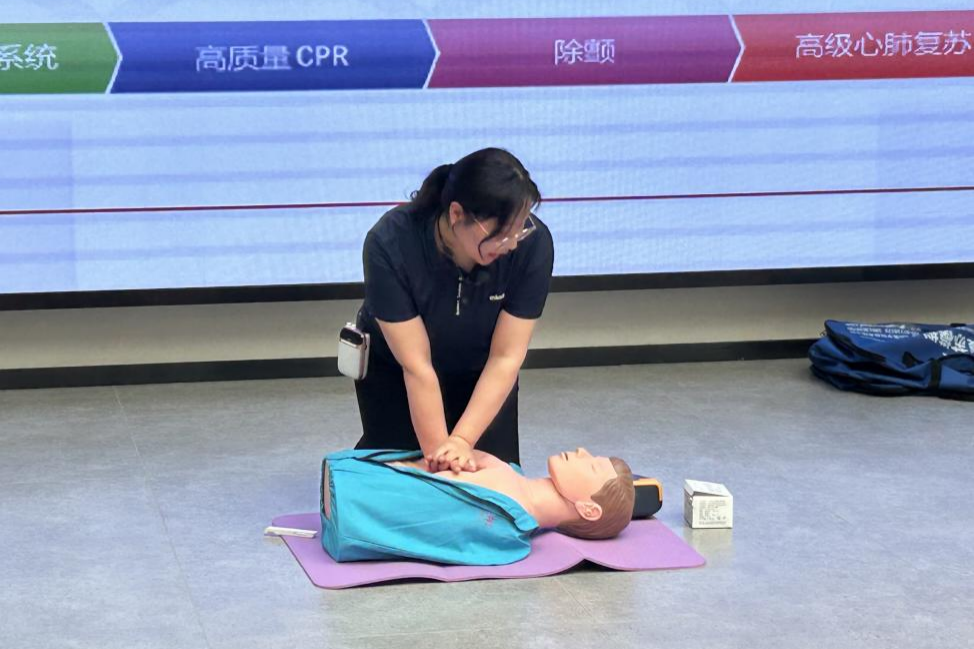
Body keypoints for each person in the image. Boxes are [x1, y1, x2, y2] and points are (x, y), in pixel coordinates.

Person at [353, 147, 553, 473]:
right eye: (502, 233)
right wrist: (442, 464)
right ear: (457, 214)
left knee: (492, 478)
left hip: (483, 374)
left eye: (521, 228)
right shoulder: (389, 243)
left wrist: (461, 440)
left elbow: (506, 357)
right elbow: (417, 365)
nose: (513, 243)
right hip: (400, 373)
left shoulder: (533, 246)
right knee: (407, 478)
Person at [320, 447, 635, 565]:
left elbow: (432, 527)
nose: (581, 450)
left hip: (352, 501)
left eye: (592, 465)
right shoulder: (509, 471)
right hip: (351, 476)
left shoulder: (509, 534)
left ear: (589, 510)